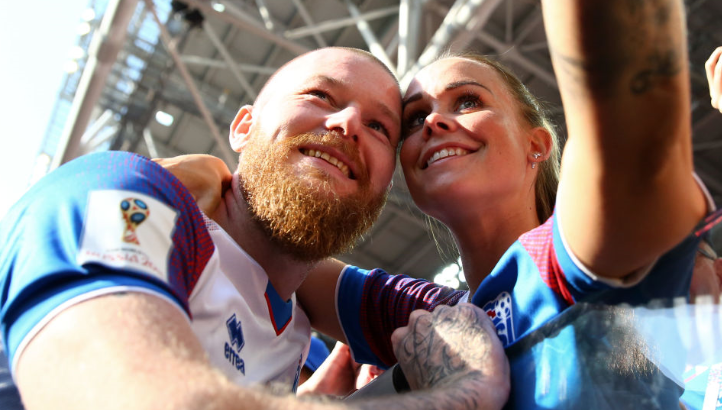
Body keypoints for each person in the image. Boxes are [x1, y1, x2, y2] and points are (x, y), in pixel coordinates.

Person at [163, 0, 721, 407]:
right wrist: (201, 180)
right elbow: (275, 244)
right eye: (411, 122)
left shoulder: (577, 259)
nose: (434, 122)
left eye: (468, 100)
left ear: (536, 144)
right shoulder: (431, 319)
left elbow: (628, 123)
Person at [0, 47, 510, 410]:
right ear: (244, 127)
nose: (349, 123)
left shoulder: (298, 321)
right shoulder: (129, 195)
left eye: (380, 127)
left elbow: (491, 309)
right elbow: (119, 395)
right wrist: (449, 400)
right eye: (321, 95)